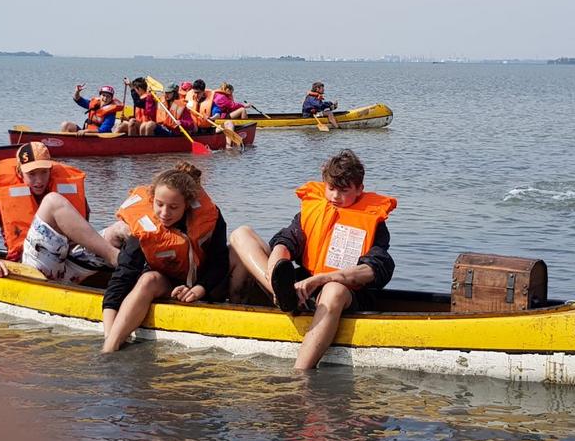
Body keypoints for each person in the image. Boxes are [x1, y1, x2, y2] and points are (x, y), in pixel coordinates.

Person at [229, 149, 396, 370]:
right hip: (300, 288)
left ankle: (301, 373)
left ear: (359, 189)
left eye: (344, 191)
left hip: (345, 294)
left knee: (334, 289)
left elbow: (377, 268)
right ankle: (280, 293)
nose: (335, 196)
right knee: (241, 233)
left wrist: (319, 280)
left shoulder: (375, 223)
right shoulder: (313, 211)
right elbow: (285, 241)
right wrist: (277, 267)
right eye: (331, 189)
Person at [101, 162, 228, 353]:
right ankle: (110, 348)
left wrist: (199, 289)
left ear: (187, 205)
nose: (164, 213)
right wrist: (109, 333)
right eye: (159, 205)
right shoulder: (144, 227)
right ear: (152, 199)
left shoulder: (211, 217)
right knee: (148, 279)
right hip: (167, 285)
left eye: (173, 207)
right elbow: (122, 278)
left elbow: (220, 262)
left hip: (206, 284)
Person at [0, 142, 120, 282]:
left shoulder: (66, 191)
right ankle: (114, 257)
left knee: (121, 229)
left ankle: (138, 279)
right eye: (32, 174)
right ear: (19, 173)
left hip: (70, 262)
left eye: (44, 172)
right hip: (31, 266)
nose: (39, 180)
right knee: (52, 201)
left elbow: (85, 228)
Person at [60, 84, 124, 133]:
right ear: (100, 96)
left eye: (108, 96)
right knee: (66, 125)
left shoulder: (111, 113)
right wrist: (77, 92)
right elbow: (78, 100)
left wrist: (87, 131)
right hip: (86, 132)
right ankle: (61, 143)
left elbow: (103, 130)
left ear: (111, 99)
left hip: (99, 136)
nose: (105, 98)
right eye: (103, 95)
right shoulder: (93, 104)